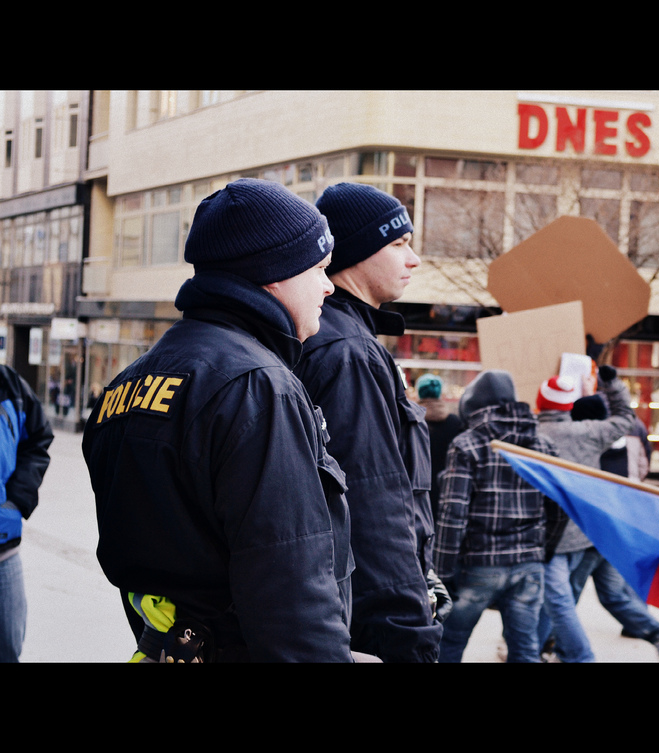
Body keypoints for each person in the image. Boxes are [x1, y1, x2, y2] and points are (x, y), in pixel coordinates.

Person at [82, 178, 356, 662]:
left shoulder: (126, 384)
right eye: (318, 268)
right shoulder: (257, 385)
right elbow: (289, 584)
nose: (329, 286)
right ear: (273, 274)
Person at [294, 182, 446, 663]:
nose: (414, 258)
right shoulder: (348, 351)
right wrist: (406, 626)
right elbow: (373, 497)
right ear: (356, 253)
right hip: (369, 614)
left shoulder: (339, 336)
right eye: (399, 244)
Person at [435, 370, 565, 662]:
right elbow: (558, 508)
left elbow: (452, 514)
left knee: (450, 643)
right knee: (524, 649)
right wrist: (544, 550)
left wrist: (441, 572)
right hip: (529, 563)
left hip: (479, 563)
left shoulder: (467, 444)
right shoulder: (542, 446)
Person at [535, 365, 635, 662]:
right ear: (569, 404)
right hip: (581, 532)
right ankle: (552, 650)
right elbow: (625, 418)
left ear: (540, 403)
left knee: (555, 600)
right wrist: (612, 384)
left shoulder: (532, 433)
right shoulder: (590, 432)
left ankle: (575, 655)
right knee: (561, 598)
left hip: (543, 534)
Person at [568, 394, 659, 663]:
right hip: (614, 531)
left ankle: (562, 649)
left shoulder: (591, 446)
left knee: (565, 596)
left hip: (591, 534)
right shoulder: (620, 441)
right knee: (613, 594)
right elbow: (641, 469)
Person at [0, 366, 53, 663]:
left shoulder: (9, 385)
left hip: (4, 554)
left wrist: (16, 501)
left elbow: (38, 438)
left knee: (8, 650)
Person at [416, 373, 465, 525]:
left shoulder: (412, 423)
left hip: (418, 492)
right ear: (440, 393)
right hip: (448, 491)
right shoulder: (455, 422)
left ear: (419, 393)